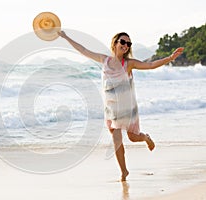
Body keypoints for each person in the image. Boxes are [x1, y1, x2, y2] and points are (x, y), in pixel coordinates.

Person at [58, 31, 184, 181]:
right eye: (123, 42)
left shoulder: (129, 63)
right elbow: (83, 50)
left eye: (128, 44)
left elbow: (150, 65)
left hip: (127, 108)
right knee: (117, 139)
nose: (126, 46)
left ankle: (146, 137)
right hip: (112, 109)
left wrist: (170, 58)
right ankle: (124, 172)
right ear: (115, 43)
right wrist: (65, 37)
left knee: (133, 137)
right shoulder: (104, 60)